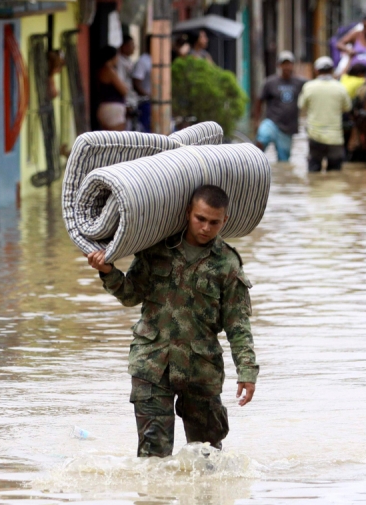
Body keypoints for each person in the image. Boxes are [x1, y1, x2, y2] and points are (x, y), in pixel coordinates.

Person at [86, 185, 259, 458]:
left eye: (214, 222)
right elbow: (131, 294)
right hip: (152, 364)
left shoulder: (227, 264)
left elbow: (238, 326)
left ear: (224, 221)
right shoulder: (156, 248)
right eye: (200, 218)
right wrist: (108, 271)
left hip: (201, 370)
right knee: (152, 458)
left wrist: (247, 372)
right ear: (188, 212)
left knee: (206, 457)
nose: (205, 227)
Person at [298, 56, 352, 172]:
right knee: (335, 176)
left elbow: (302, 106)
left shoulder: (309, 87)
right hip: (335, 138)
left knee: (314, 174)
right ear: (332, 71)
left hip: (315, 137)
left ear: (316, 70)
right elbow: (347, 108)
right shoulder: (340, 88)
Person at [252, 51, 306, 162]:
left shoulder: (299, 83)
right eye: (284, 64)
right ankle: (253, 165)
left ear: (293, 65)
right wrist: (256, 121)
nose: (286, 67)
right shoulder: (270, 82)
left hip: (288, 128)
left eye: (289, 64)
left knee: (284, 161)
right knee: (260, 142)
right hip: (271, 122)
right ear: (279, 65)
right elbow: (259, 101)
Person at [96, 45, 128, 131]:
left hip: (103, 106)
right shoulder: (110, 71)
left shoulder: (101, 70)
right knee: (117, 141)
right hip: (113, 108)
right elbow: (124, 90)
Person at [132, 35, 152, 132]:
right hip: (145, 103)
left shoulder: (159, 60)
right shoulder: (143, 61)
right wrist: (148, 95)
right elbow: (136, 83)